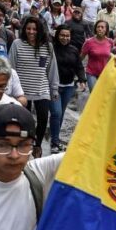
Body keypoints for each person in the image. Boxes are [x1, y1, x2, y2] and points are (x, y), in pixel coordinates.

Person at [8, 16, 59, 159]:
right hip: (21, 91)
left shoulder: (47, 46)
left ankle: (37, 145)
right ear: (24, 30)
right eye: (28, 29)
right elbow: (10, 67)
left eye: (34, 29)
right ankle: (25, 142)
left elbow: (51, 69)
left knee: (43, 118)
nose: (31, 32)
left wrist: (54, 89)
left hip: (41, 89)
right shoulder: (17, 44)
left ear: (40, 31)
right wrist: (10, 90)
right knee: (24, 120)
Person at [50, 25, 85, 153]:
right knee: (56, 113)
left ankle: (55, 139)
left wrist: (82, 79)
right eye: (62, 35)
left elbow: (79, 66)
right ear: (57, 35)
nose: (65, 38)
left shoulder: (74, 50)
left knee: (61, 114)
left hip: (68, 86)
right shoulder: (51, 49)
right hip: (54, 87)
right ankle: (54, 142)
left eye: (67, 36)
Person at [81, 19, 113, 92]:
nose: (100, 29)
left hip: (105, 73)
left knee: (103, 95)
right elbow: (81, 57)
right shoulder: (89, 42)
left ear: (106, 30)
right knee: (94, 93)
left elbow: (111, 57)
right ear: (95, 28)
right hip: (91, 73)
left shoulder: (110, 42)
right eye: (98, 27)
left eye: (102, 27)